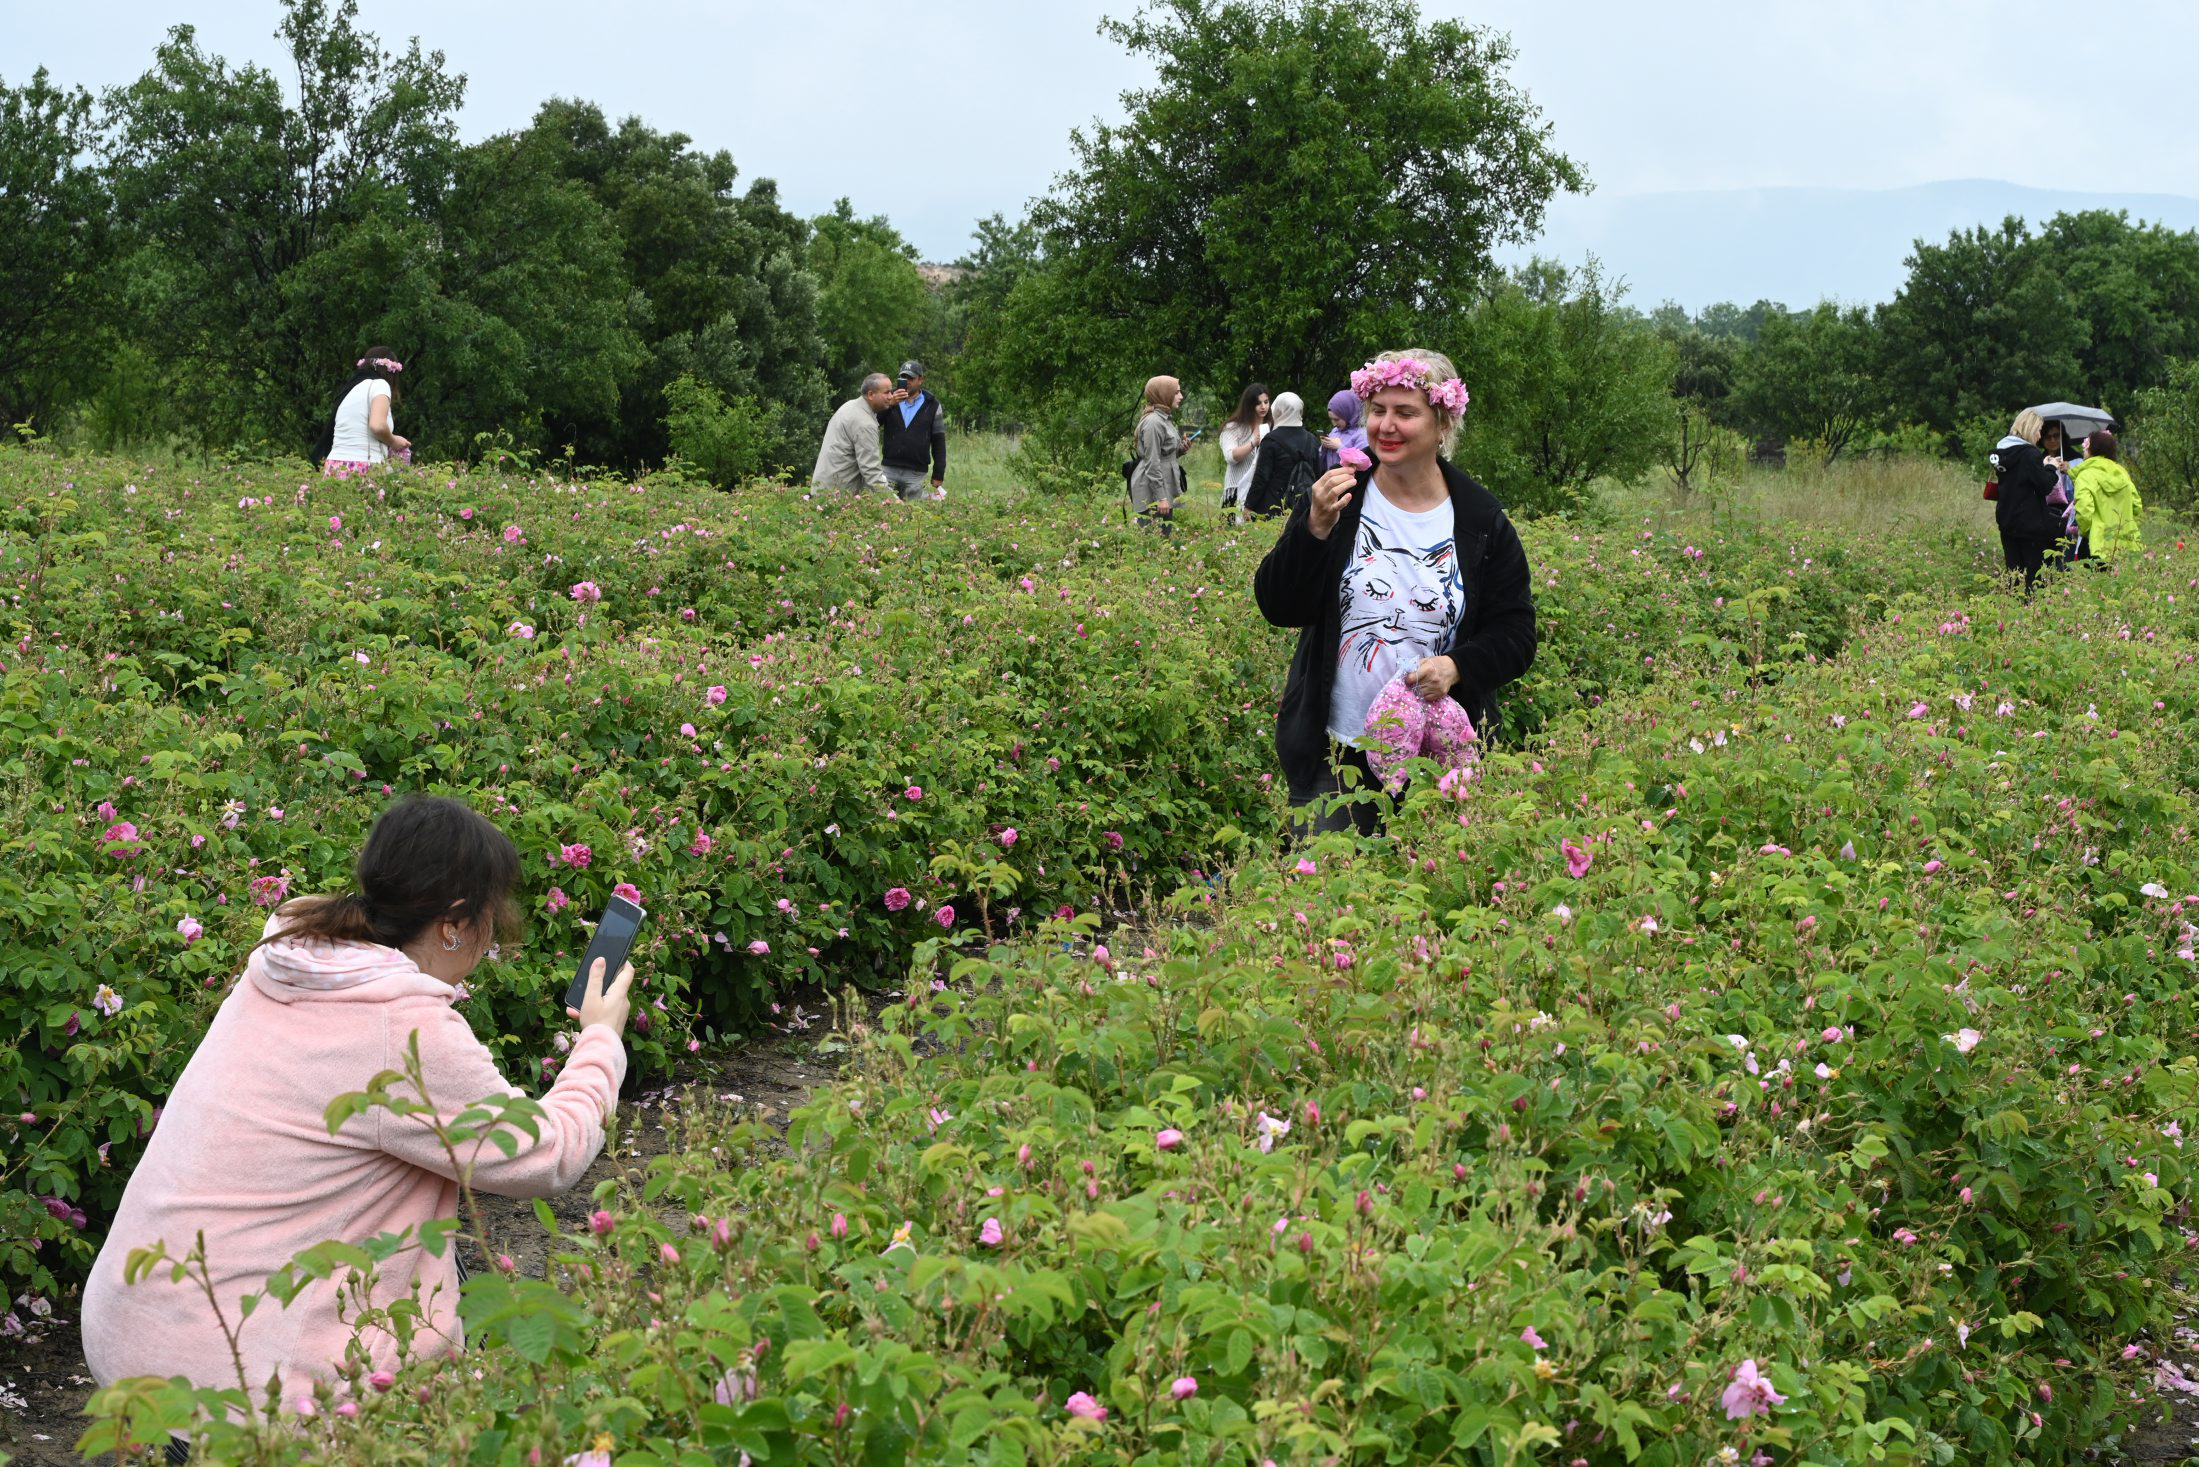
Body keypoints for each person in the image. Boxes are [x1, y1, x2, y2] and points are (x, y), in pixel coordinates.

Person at [81, 797, 634, 1411]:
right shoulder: (398, 1024)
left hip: (134, 1333)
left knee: (453, 1283)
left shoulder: (297, 958)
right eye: (492, 916)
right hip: (232, 1387)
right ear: (455, 921)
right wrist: (601, 1038)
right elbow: (546, 1154)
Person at [1254, 349, 1536, 837]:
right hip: (1337, 751)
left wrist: (1458, 667)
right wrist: (1314, 529)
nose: (1386, 426)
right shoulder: (1339, 496)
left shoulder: (1480, 520)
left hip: (1438, 756)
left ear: (1443, 423)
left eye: (1406, 413)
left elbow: (1515, 633)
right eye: (1378, 410)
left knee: (1427, 901)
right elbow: (1278, 605)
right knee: (1326, 898)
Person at [1989, 409, 2065, 591]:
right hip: (2030, 524)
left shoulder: (2000, 452)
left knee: (2013, 572)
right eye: (2039, 430)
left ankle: (2011, 610)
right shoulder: (2029, 454)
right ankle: (2031, 611)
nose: (2039, 436)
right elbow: (2045, 486)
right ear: (2030, 428)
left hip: (2007, 520)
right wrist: (2050, 467)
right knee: (2033, 576)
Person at [315, 348, 409, 476]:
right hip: (363, 465)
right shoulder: (380, 385)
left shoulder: (351, 389)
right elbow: (377, 426)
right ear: (391, 372)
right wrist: (393, 441)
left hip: (334, 465)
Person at [811, 374, 897, 493]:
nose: (891, 396)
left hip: (822, 487)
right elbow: (871, 472)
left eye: (891, 392)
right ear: (871, 395)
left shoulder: (850, 406)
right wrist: (893, 501)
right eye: (886, 392)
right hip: (837, 496)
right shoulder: (865, 424)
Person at [2071, 429, 2144, 563]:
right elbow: (2137, 507)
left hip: (2094, 546)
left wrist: (2088, 532)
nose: (2083, 451)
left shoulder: (2085, 476)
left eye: (2085, 447)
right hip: (2125, 546)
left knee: (2091, 583)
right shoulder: (2122, 473)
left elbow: (2084, 511)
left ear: (2091, 449)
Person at [1245, 391, 1321, 519]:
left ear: (1278, 411)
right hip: (1303, 508)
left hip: (1272, 509)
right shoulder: (1312, 440)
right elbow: (1317, 475)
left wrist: (1249, 506)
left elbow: (1261, 477)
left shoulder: (1271, 440)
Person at [878, 360, 946, 501]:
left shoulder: (932, 405)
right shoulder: (888, 398)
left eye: (911, 378)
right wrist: (890, 404)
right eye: (903, 378)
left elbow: (938, 441)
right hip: (889, 469)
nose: (907, 381)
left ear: (920, 380)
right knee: (884, 510)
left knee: (913, 514)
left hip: (916, 473)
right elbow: (874, 423)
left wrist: (938, 474)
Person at [1129, 376, 1189, 528]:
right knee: (1152, 542)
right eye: (1176, 393)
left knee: (1163, 540)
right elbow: (1152, 461)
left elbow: (1165, 454)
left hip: (1164, 487)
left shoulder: (1164, 419)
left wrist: (1181, 449)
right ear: (1164, 394)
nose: (1181, 397)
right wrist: (1161, 497)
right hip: (1153, 492)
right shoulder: (1154, 423)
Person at [1217, 383, 1270, 523]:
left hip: (1261, 492)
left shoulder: (1272, 426)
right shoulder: (1233, 428)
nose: (1263, 407)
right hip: (1236, 491)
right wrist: (1253, 443)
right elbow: (1231, 457)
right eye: (1258, 403)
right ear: (1249, 405)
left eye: (1266, 402)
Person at [1319, 389, 1368, 472]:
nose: (1334, 423)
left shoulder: (1361, 435)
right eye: (1331, 419)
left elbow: (1363, 462)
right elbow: (1321, 457)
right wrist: (1324, 445)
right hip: (1332, 478)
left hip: (1350, 482)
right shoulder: (1335, 431)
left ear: (1347, 414)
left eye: (1337, 419)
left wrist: (1339, 447)